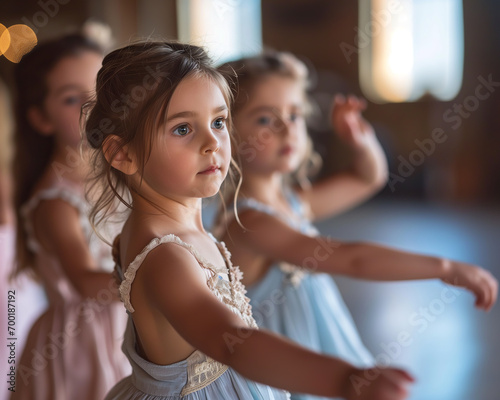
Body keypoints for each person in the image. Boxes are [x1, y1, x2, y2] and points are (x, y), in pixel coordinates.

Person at [86, 40, 416, 400]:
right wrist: (344, 380)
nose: (212, 142)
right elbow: (233, 344)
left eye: (218, 122)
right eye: (182, 129)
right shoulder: (166, 257)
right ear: (122, 154)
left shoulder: (178, 230)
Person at [214, 51, 498, 400]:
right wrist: (443, 267)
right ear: (225, 131)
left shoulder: (293, 202)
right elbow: (351, 259)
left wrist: (360, 141)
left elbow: (368, 178)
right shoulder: (250, 222)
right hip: (284, 375)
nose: (287, 128)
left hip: (319, 348)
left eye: (294, 114)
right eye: (264, 120)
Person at [11, 33, 129, 400]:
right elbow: (84, 281)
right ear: (40, 119)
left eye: (100, 90)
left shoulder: (121, 174)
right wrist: (155, 282)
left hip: (128, 324)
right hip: (83, 346)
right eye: (71, 98)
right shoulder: (55, 201)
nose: (92, 107)